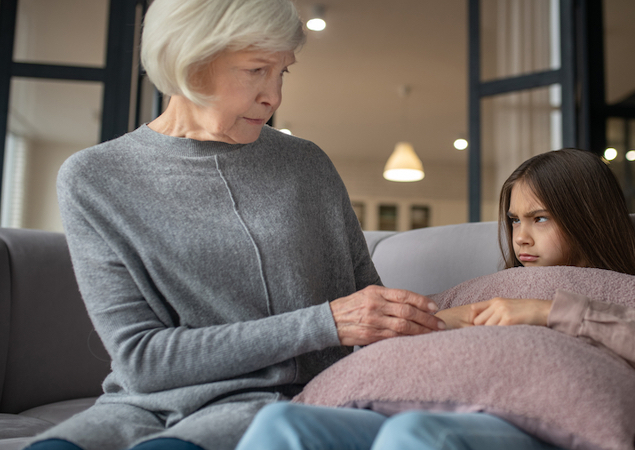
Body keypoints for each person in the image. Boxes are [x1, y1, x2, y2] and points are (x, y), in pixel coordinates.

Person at [23, 1, 444, 450]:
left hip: (271, 404)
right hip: (138, 406)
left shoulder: (306, 165)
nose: (274, 97)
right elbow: (142, 361)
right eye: (256, 70)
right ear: (190, 61)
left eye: (283, 72)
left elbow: (370, 313)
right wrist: (326, 323)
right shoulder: (94, 177)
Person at [235, 148, 635, 450]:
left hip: (529, 427)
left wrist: (548, 312)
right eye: (515, 221)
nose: (522, 238)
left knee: (421, 438)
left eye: (541, 218)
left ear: (588, 217)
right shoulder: (489, 289)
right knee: (284, 423)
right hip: (425, 407)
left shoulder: (624, 294)